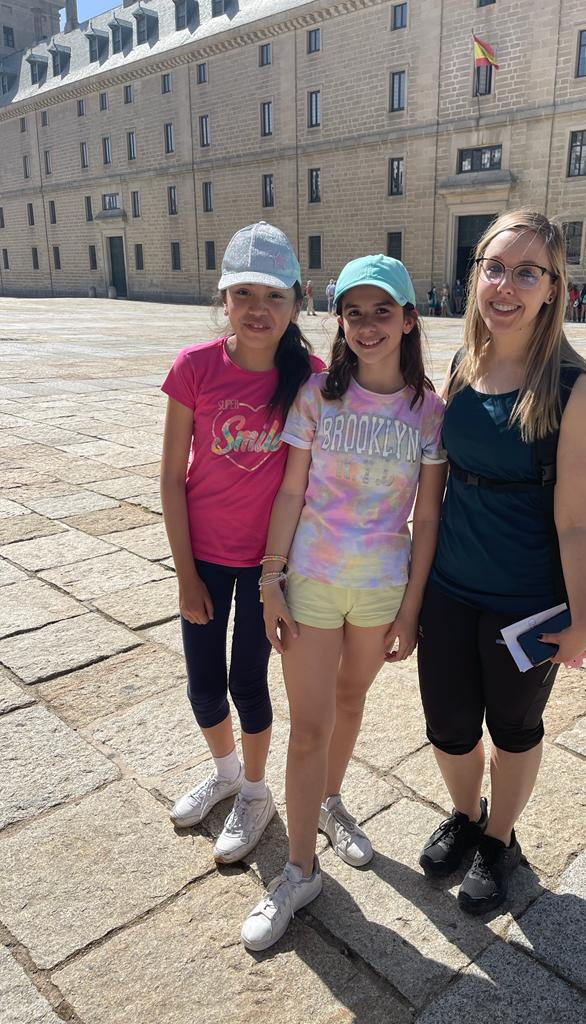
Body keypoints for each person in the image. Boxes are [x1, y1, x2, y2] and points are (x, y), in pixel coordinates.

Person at [241, 254, 447, 951]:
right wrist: (271, 579)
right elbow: (291, 491)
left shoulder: (429, 411)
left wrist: (411, 608)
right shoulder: (317, 396)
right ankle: (299, 870)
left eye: (382, 310)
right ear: (340, 322)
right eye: (353, 312)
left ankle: (330, 802)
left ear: (409, 319)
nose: (367, 325)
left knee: (351, 699)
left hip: (382, 587)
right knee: (309, 725)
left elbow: (428, 517)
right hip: (314, 582)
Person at [416, 210, 586, 915]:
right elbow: (433, 488)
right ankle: (468, 817)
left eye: (528, 273)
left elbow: (578, 520)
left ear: (553, 288)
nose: (506, 285)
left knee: (514, 730)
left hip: (525, 601)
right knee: (447, 726)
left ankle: (500, 841)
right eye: (494, 268)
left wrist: (583, 618)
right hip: (449, 587)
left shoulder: (572, 389)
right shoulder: (462, 367)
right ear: (476, 278)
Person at [160, 222, 324, 863]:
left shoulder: (310, 378)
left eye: (274, 295)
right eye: (244, 294)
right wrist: (184, 575)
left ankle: (256, 792)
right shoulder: (195, 368)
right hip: (203, 558)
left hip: (268, 568)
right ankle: (227, 773)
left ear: (297, 301)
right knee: (203, 685)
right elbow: (172, 477)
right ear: (223, 299)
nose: (259, 309)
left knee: (248, 682)